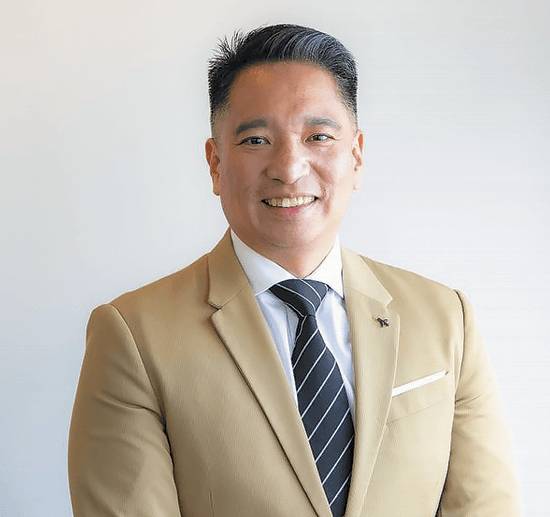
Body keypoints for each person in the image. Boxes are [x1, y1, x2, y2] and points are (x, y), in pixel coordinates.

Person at [68, 23, 521, 517]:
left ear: (356, 155)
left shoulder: (445, 317)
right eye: (257, 140)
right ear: (215, 164)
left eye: (318, 136)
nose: (289, 167)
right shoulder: (134, 336)